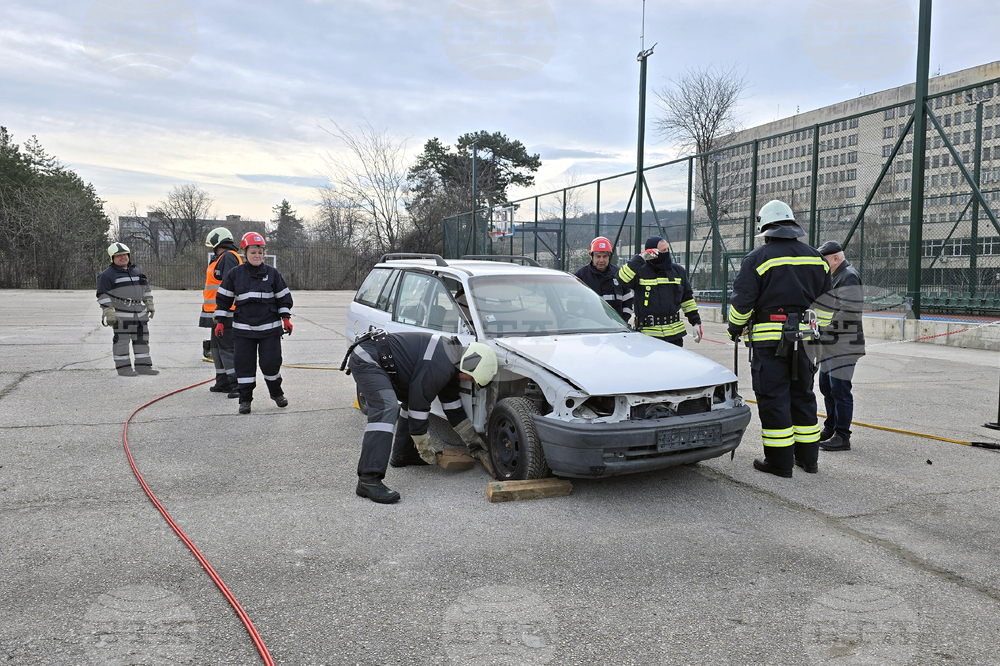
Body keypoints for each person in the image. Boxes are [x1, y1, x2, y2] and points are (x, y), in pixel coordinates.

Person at [727, 200, 834, 478]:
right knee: (803, 396)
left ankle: (779, 463)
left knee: (774, 398)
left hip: (770, 344)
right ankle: (809, 460)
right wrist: (813, 330)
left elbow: (742, 305)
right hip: (807, 342)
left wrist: (734, 329)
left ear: (765, 228)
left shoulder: (757, 258)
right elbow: (828, 304)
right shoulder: (816, 257)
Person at [344, 332, 497, 504]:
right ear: (470, 364)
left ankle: (404, 454)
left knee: (410, 401)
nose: (469, 381)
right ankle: (368, 479)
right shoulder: (441, 364)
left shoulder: (452, 362)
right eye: (471, 377)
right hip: (368, 359)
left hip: (379, 358)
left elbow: (453, 408)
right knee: (386, 407)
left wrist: (473, 440)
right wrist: (424, 447)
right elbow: (419, 405)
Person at [214, 232, 292, 415]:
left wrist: (286, 318)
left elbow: (283, 298)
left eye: (260, 252)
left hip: (270, 330)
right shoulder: (235, 274)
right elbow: (223, 300)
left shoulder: (272, 274)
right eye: (253, 252)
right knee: (244, 366)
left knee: (271, 364)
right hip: (243, 331)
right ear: (245, 252)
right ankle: (245, 400)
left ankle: (276, 393)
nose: (257, 255)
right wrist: (220, 322)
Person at [815, 240, 865, 452]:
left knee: (840, 390)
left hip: (844, 345)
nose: (822, 264)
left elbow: (848, 313)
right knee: (827, 387)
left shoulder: (848, 276)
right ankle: (831, 426)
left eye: (824, 260)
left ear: (836, 258)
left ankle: (842, 435)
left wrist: (825, 330)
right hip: (833, 345)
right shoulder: (835, 276)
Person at [619, 236, 702, 345]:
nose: (667, 253)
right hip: (648, 336)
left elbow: (687, 300)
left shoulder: (678, 272)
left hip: (674, 336)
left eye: (667, 249)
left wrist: (696, 322)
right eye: (663, 250)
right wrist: (639, 258)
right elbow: (621, 279)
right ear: (653, 253)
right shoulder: (639, 272)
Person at [96, 242, 158, 376]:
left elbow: (146, 289)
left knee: (142, 341)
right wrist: (109, 312)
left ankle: (144, 367)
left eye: (125, 254)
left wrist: (149, 304)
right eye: (118, 256)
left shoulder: (137, 272)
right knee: (122, 342)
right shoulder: (107, 275)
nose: (123, 257)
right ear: (112, 258)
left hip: (139, 314)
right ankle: (124, 368)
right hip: (121, 315)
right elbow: (103, 295)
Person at [200, 227, 243, 397]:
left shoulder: (229, 257)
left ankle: (237, 384)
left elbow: (230, 285)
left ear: (218, 241)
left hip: (226, 312)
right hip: (215, 312)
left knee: (227, 348)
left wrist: (222, 311)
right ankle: (223, 381)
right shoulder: (220, 258)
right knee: (217, 349)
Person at [574, 236, 633, 322]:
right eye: (598, 256)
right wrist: (585, 320)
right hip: (589, 328)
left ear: (609, 257)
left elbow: (628, 301)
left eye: (604, 256)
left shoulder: (619, 275)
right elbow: (573, 305)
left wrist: (623, 321)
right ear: (592, 256)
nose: (601, 260)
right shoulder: (581, 276)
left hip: (616, 328)